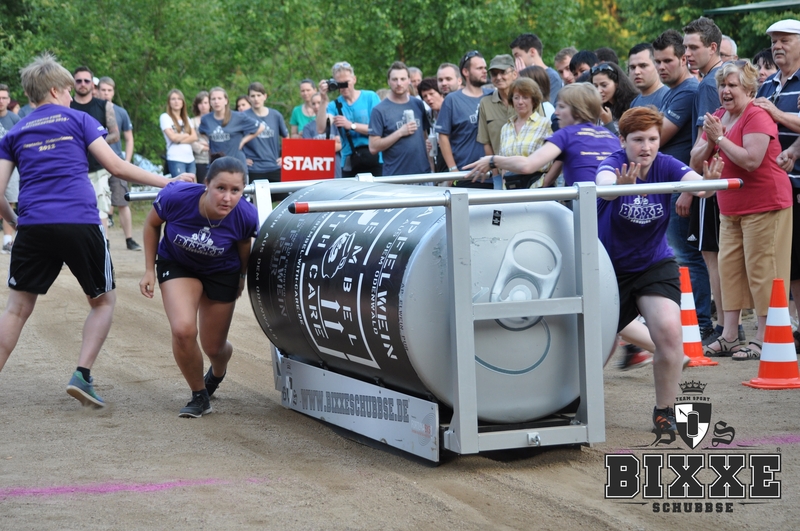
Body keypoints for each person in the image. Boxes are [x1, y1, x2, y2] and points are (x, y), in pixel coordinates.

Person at [0, 53, 194, 407]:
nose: (71, 97)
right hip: (80, 221)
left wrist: (15, 221)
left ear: (30, 95)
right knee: (103, 302)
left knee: (16, 309)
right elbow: (117, 167)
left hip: (34, 225)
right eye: (68, 91)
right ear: (56, 90)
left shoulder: (15, 131)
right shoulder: (78, 119)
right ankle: (82, 374)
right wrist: (168, 182)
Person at [595, 106, 723, 437]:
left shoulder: (665, 164)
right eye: (638, 140)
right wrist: (620, 187)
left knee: (668, 331)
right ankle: (573, 400)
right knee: (596, 350)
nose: (646, 147)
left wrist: (708, 183)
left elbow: (700, 187)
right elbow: (604, 185)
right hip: (609, 270)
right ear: (622, 141)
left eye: (652, 139)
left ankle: (665, 412)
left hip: (653, 263)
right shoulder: (612, 164)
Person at [139, 156, 257, 417]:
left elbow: (244, 246)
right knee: (183, 330)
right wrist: (148, 269)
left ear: (243, 191)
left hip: (222, 271)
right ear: (206, 184)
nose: (227, 197)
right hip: (178, 264)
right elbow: (151, 224)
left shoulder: (246, 215)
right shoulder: (176, 197)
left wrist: (241, 277)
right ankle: (199, 395)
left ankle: (217, 372)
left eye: (235, 190)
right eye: (220, 188)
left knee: (214, 347)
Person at [691, 61, 792, 360]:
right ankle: (730, 335)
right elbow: (696, 161)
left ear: (748, 89)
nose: (725, 90)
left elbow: (751, 160)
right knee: (730, 270)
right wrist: (712, 139)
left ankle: (764, 336)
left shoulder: (756, 114)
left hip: (766, 204)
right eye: (722, 85)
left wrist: (720, 139)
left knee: (763, 271)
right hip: (730, 206)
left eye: (732, 85)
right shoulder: (718, 116)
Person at [652, 29, 714, 342]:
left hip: (684, 187)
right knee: (682, 256)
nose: (661, 67)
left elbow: (655, 137)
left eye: (668, 60)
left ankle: (700, 322)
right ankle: (692, 320)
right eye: (657, 61)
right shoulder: (671, 91)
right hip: (675, 188)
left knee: (688, 256)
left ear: (681, 59)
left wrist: (687, 191)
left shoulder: (689, 90)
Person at [465, 83, 619, 188]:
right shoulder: (610, 136)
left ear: (578, 111)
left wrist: (493, 161)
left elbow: (527, 165)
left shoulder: (566, 134)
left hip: (590, 212)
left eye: (562, 107)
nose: (556, 112)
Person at [753, 19, 800, 339]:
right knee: (791, 262)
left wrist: (777, 114)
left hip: (797, 182)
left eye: (785, 40)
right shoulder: (768, 84)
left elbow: (774, 117)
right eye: (773, 41)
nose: (777, 46)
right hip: (777, 187)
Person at [70, 66, 119, 234]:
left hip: (99, 167)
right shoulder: (67, 105)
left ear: (93, 84)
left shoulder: (104, 106)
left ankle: (103, 244)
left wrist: (92, 142)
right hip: (74, 168)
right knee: (75, 211)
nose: (82, 84)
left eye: (86, 81)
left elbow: (115, 135)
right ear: (73, 83)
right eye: (78, 81)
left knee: (101, 210)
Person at [97, 76, 141, 251]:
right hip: (97, 163)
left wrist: (127, 161)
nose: (106, 93)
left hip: (116, 161)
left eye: (109, 90)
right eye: (103, 90)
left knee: (123, 201)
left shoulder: (121, 112)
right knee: (100, 203)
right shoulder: (94, 109)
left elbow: (129, 138)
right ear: (97, 90)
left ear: (113, 92)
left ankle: (129, 239)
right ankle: (104, 240)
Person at [316, 61, 382, 177]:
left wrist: (351, 125)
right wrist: (323, 99)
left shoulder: (370, 97)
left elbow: (378, 129)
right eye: (340, 84)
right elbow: (321, 128)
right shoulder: (334, 105)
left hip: (374, 156)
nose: (344, 86)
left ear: (354, 79)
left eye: (346, 82)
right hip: (349, 160)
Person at [368, 62, 431, 177]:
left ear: (409, 81)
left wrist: (432, 169)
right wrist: (400, 132)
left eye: (403, 79)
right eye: (394, 79)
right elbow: (373, 147)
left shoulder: (418, 104)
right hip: (396, 176)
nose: (399, 83)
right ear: (388, 81)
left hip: (423, 174)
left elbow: (425, 138)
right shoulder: (379, 110)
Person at [436, 51, 489, 187]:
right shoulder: (452, 100)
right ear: (465, 72)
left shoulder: (493, 95)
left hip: (493, 174)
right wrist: (453, 169)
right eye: (479, 68)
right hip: (466, 174)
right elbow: (443, 136)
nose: (484, 71)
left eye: (485, 68)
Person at [497, 77, 553, 189]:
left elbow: (556, 160)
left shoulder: (545, 124)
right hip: (511, 190)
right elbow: (504, 164)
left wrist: (545, 183)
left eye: (525, 97)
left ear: (533, 100)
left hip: (537, 189)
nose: (520, 102)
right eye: (516, 97)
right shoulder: (505, 128)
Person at [477, 55, 518, 189]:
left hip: (529, 171)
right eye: (494, 74)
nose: (498, 77)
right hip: (500, 174)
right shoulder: (485, 103)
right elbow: (486, 142)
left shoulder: (528, 98)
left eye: (503, 72)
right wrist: (496, 175)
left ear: (514, 74)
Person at [198, 87, 263, 170]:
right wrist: (209, 142)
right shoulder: (206, 119)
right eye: (213, 99)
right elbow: (202, 132)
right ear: (210, 102)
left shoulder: (238, 117)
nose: (216, 102)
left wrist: (243, 141)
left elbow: (261, 127)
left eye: (219, 98)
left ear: (226, 101)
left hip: (237, 165)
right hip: (216, 166)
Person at [242, 82, 288, 183]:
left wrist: (285, 156)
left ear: (265, 96)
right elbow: (236, 140)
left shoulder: (276, 115)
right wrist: (242, 158)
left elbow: (286, 137)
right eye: (253, 96)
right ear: (248, 98)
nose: (256, 99)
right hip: (254, 168)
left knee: (282, 193)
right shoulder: (243, 117)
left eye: (259, 95)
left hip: (275, 166)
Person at [509, 33, 562, 104]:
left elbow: (546, 105)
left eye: (517, 56)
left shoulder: (552, 76)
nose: (516, 61)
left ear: (532, 52)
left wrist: (523, 78)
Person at [590, 62, 638, 136]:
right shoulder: (600, 107)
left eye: (604, 85)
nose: (598, 90)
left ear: (617, 83)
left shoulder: (634, 105)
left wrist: (608, 123)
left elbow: (627, 141)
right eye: (595, 86)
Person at [302, 92, 342, 179]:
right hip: (317, 168)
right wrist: (332, 143)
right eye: (313, 104)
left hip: (335, 168)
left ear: (326, 103)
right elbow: (309, 149)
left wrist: (318, 146)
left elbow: (341, 145)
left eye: (319, 103)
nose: (316, 106)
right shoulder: (307, 127)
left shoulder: (336, 123)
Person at [0, 83, 20, 254]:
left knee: (9, 202)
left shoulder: (15, 120)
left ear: (8, 100)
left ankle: (7, 241)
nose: (1, 101)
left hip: (9, 166)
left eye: (4, 98)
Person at [160, 89, 197, 178]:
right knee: (181, 184)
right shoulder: (165, 117)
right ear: (169, 102)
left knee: (192, 184)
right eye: (173, 99)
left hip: (190, 159)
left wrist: (178, 139)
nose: (176, 101)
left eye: (179, 99)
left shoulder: (186, 119)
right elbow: (172, 137)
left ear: (183, 102)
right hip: (176, 158)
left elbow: (194, 137)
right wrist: (186, 135)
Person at [628, 43, 668, 109]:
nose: (636, 72)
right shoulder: (634, 102)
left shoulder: (668, 98)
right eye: (633, 67)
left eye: (643, 66)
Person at [191, 91, 210, 183]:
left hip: (215, 159)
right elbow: (191, 141)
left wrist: (211, 146)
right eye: (200, 103)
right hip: (198, 160)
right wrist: (205, 147)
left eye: (206, 103)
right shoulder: (192, 121)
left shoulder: (217, 120)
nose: (203, 106)